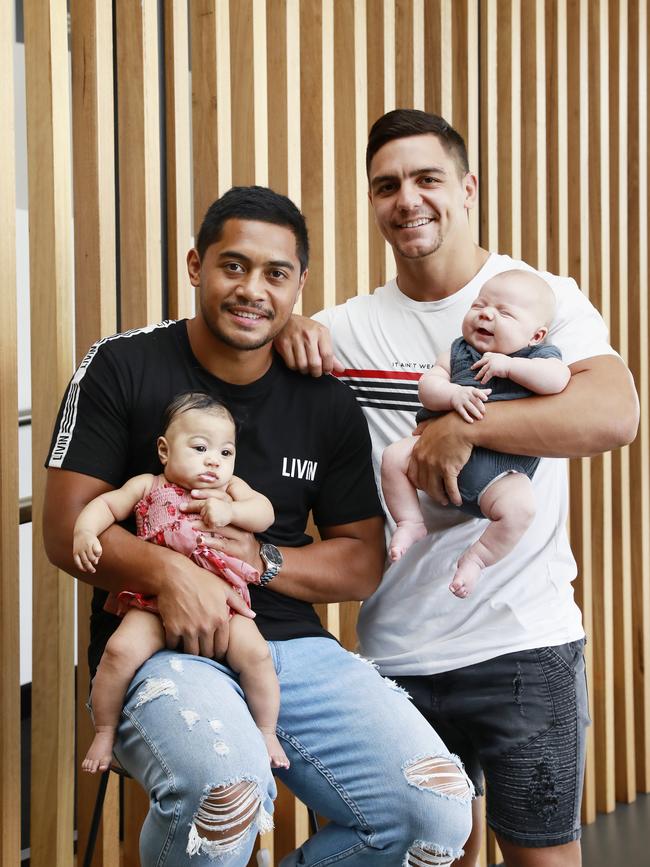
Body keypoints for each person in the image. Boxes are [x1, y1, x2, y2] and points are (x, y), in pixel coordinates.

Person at [44, 185, 473, 866]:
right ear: (195, 266)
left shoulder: (324, 398)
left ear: (299, 284)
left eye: (276, 273)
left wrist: (261, 561)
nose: (252, 289)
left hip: (288, 646)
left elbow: (361, 562)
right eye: (233, 266)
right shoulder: (122, 364)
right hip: (154, 644)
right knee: (225, 794)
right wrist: (171, 571)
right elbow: (65, 526)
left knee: (434, 809)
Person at [275, 110, 639, 867]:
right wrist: (289, 326)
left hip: (522, 643)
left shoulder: (539, 299)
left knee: (542, 856)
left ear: (467, 188)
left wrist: (468, 429)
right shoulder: (346, 328)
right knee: (432, 853)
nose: (407, 199)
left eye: (426, 179)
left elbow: (615, 413)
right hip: (397, 652)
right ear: (372, 202)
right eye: (387, 186)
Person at [73, 391, 291, 773]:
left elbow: (264, 513)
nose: (214, 461)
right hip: (153, 601)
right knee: (120, 651)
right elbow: (107, 506)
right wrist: (85, 532)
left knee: (256, 656)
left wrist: (233, 510)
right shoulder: (148, 485)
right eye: (200, 447)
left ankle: (267, 730)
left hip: (225, 602)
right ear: (164, 451)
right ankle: (106, 731)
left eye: (226, 452)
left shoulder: (229, 490)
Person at [382, 269, 570, 597]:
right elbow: (429, 387)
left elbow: (558, 380)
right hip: (433, 456)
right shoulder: (458, 353)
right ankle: (410, 521)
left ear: (536, 336)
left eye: (505, 312)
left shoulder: (539, 357)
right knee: (393, 457)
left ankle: (478, 559)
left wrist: (511, 367)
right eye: (479, 305)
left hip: (498, 475)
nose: (486, 313)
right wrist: (453, 394)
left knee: (521, 508)